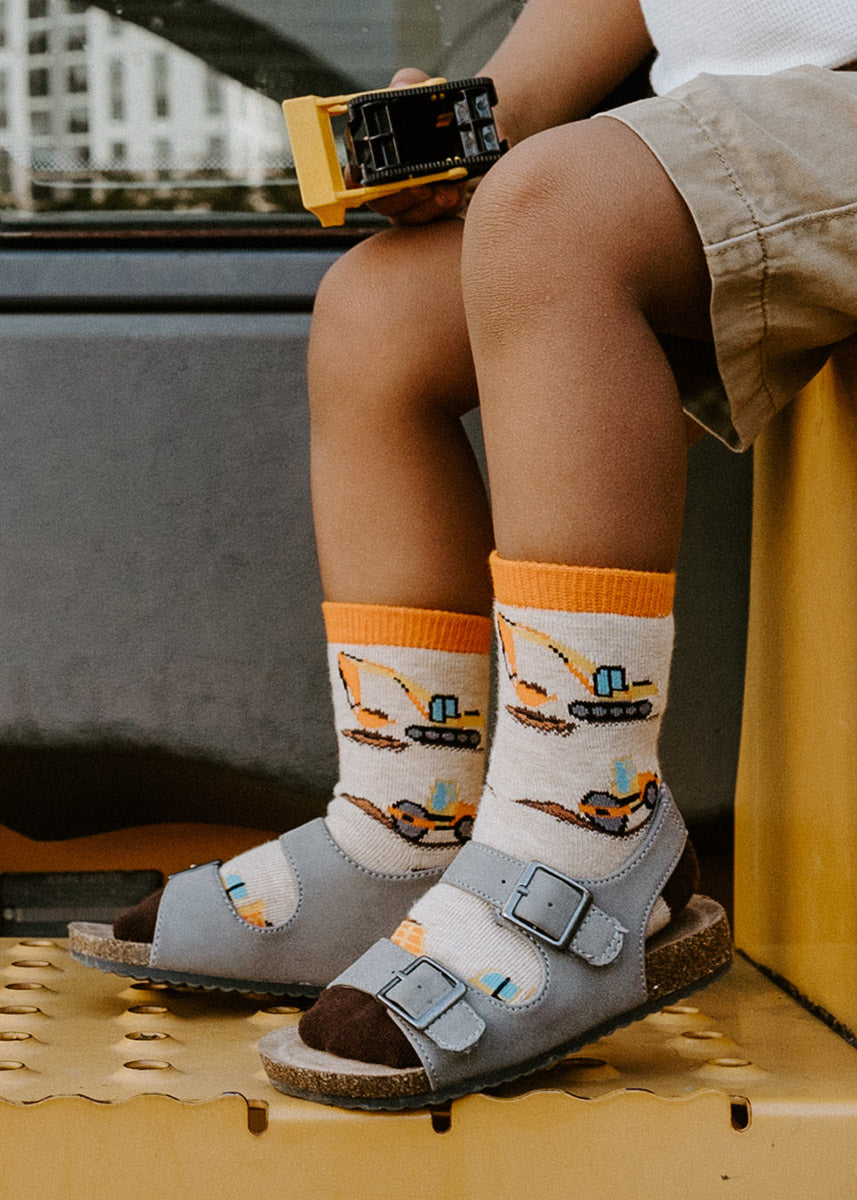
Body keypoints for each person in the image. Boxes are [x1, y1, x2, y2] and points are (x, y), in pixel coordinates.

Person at [71, 0, 857, 1108]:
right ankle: (410, 827)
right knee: (375, 315)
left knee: (555, 215)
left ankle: (588, 832)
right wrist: (496, 115)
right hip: (724, 123)